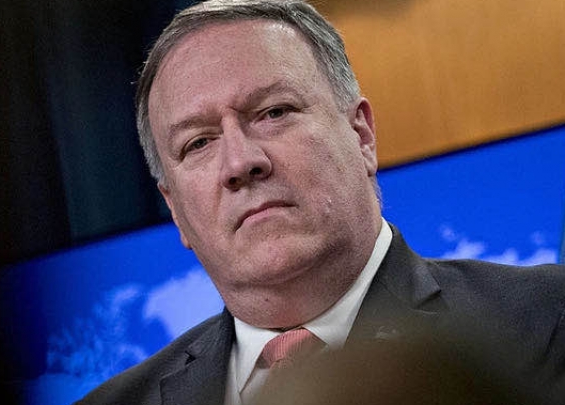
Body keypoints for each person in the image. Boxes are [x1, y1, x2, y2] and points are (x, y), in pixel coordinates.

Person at [75, 1, 565, 404]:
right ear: (175, 209)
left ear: (361, 135)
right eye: (198, 143)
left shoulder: (549, 318)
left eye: (273, 112)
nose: (240, 163)